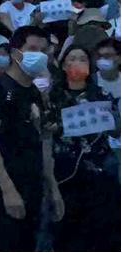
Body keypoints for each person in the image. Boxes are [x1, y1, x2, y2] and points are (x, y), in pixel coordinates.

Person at [0, 26, 63, 251]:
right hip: (3, 184)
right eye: (33, 49)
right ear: (16, 53)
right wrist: (7, 189)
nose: (40, 55)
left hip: (32, 182)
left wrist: (52, 187)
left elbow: (43, 139)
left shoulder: (35, 92)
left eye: (44, 50)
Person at [45, 46, 120, 251]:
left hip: (99, 170)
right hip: (65, 172)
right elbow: (45, 131)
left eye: (82, 59)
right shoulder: (52, 96)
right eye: (72, 58)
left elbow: (116, 132)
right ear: (63, 65)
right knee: (67, 234)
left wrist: (113, 120)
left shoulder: (101, 95)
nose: (77, 62)